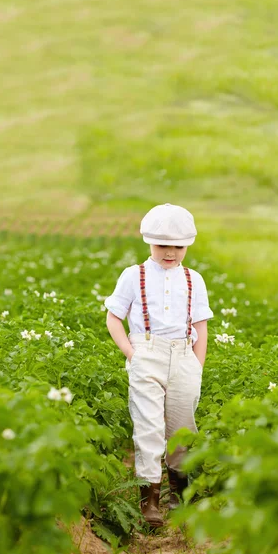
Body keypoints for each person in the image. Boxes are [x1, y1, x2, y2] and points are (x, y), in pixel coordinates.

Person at [105, 203, 213, 527]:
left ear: (187, 246)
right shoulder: (133, 276)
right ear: (149, 242)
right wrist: (131, 353)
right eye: (163, 245)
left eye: (178, 246)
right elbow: (114, 317)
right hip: (146, 353)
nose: (170, 252)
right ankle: (149, 497)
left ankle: (181, 490)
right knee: (149, 426)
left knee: (182, 428)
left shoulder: (194, 279)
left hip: (183, 357)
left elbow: (202, 326)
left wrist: (197, 364)